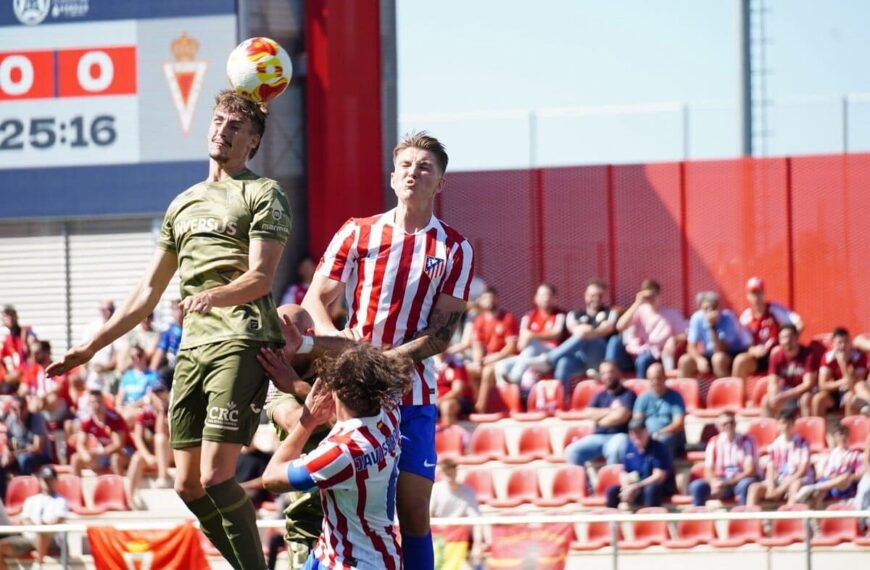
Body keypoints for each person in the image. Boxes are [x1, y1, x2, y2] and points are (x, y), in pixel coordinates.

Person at [47, 89, 292, 570]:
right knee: (186, 486)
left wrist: (212, 296)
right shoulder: (182, 204)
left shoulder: (263, 193)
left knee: (219, 477)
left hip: (240, 339)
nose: (222, 130)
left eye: (235, 126)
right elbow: (146, 294)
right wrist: (89, 348)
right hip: (193, 349)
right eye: (218, 121)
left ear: (253, 141)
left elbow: (262, 276)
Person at [302, 131, 474, 570]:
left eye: (425, 167)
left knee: (414, 511)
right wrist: (342, 350)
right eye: (405, 166)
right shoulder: (357, 232)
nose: (413, 173)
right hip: (357, 392)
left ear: (440, 183)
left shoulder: (455, 248)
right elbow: (314, 302)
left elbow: (443, 333)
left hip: (413, 392)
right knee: (345, 505)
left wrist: (387, 362)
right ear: (392, 177)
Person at [262, 344, 411, 570]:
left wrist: (308, 420)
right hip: (348, 554)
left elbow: (271, 478)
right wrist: (297, 386)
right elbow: (346, 422)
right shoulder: (389, 415)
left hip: (353, 563)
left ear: (337, 390)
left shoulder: (340, 452)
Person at [528, 278, 619, 396]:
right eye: (592, 295)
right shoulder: (574, 314)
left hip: (599, 358)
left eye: (599, 296)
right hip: (580, 359)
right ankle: (561, 400)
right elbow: (573, 329)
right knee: (563, 362)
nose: (595, 299)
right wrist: (586, 332)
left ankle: (548, 360)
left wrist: (588, 332)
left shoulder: (611, 313)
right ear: (585, 296)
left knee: (585, 337)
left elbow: (605, 330)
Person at [732, 277, 803, 386]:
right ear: (748, 296)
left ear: (764, 293)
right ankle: (740, 398)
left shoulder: (775, 310)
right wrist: (753, 350)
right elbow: (744, 345)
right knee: (740, 361)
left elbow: (799, 323)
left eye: (759, 293)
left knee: (776, 352)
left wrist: (788, 343)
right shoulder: (745, 318)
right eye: (753, 294)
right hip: (759, 357)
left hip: (779, 354)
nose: (756, 297)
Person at [494, 283, 565, 392]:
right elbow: (521, 346)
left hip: (550, 356)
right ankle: (510, 399)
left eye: (548, 295)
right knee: (500, 366)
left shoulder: (560, 315)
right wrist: (525, 340)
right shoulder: (528, 317)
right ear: (535, 298)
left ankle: (515, 378)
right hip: (529, 357)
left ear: (555, 298)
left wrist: (532, 336)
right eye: (542, 295)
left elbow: (557, 333)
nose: (545, 298)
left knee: (533, 346)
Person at [563, 360, 636, 465]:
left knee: (614, 450)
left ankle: (612, 480)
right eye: (604, 373)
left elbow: (621, 416)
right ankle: (585, 481)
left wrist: (600, 418)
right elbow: (588, 413)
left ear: (618, 373)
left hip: (619, 435)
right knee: (572, 451)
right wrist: (612, 411)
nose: (608, 376)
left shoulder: (628, 394)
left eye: (611, 372)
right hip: (597, 436)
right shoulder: (600, 395)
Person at [612, 279, 687, 379]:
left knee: (643, 360)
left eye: (653, 295)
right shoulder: (639, 310)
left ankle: (640, 390)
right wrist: (637, 303)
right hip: (633, 353)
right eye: (647, 297)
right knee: (614, 341)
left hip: (653, 355)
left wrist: (674, 339)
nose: (650, 299)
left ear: (659, 294)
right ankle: (609, 377)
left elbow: (687, 333)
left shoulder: (671, 314)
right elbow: (620, 326)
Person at [0, 465, 68, 570]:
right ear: (40, 480)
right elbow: (25, 519)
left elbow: (56, 520)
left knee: (43, 531)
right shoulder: (31, 500)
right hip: (30, 538)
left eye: (50, 479)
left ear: (55, 480)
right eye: (44, 479)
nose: (47, 482)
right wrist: (35, 528)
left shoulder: (61, 500)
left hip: (51, 539)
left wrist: (38, 528)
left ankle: (38, 564)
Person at [465, 287, 519, 413]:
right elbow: (477, 345)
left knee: (487, 372)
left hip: (505, 358)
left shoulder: (507, 318)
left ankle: (480, 409)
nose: (489, 301)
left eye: (492, 297)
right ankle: (475, 401)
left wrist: (493, 358)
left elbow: (511, 347)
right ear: (481, 301)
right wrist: (479, 361)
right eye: (486, 298)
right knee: (469, 370)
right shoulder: (479, 321)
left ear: (497, 299)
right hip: (487, 359)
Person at [689, 411, 758, 506]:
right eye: (725, 424)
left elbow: (750, 471)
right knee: (697, 486)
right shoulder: (714, 442)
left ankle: (743, 517)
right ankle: (697, 518)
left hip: (738, 481)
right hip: (721, 481)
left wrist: (728, 483)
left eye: (731, 423)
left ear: (735, 424)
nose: (729, 426)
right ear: (719, 427)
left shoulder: (747, 441)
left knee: (745, 484)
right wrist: (714, 482)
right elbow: (708, 469)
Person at [605, 419, 676, 509]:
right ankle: (612, 521)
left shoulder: (658, 448)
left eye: (639, 432)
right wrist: (626, 487)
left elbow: (659, 476)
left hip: (655, 487)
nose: (636, 436)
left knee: (651, 489)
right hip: (635, 486)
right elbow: (624, 472)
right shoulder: (629, 447)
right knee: (612, 491)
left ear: (646, 431)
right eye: (633, 433)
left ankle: (650, 520)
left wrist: (636, 487)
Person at [678, 291, 748, 379]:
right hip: (710, 355)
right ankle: (686, 391)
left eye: (713, 308)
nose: (710, 312)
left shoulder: (728, 317)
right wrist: (698, 359)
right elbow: (691, 346)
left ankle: (726, 390)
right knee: (685, 361)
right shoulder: (697, 318)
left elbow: (720, 349)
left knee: (718, 359)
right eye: (706, 309)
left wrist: (712, 326)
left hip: (731, 354)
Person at [747, 413, 811, 506]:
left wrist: (781, 489)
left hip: (796, 479)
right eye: (782, 424)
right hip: (780, 479)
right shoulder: (775, 444)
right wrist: (771, 487)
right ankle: (751, 518)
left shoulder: (802, 443)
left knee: (795, 486)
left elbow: (802, 471)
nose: (785, 427)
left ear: (793, 425)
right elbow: (770, 469)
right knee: (754, 488)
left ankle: (789, 517)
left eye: (788, 424)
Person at [791, 425, 862, 508]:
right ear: (836, 438)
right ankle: (815, 519)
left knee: (845, 476)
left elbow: (859, 474)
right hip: (829, 482)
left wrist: (846, 477)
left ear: (849, 436)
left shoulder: (855, 455)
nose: (842, 437)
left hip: (843, 485)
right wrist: (832, 477)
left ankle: (810, 488)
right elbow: (823, 473)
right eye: (840, 435)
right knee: (819, 492)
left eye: (845, 434)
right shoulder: (830, 455)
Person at [430, 459, 485, 567]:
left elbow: (477, 520)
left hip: (461, 541)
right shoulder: (436, 490)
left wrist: (477, 545)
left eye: (451, 471)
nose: (449, 475)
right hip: (439, 539)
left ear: (456, 471)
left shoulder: (468, 492)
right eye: (446, 472)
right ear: (442, 473)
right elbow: (428, 515)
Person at [125, 384, 173, 509]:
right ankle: (130, 498)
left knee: (160, 438)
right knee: (137, 458)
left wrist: (162, 411)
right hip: (155, 455)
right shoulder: (145, 413)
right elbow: (138, 437)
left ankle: (163, 477)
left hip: (171, 453)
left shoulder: (172, 411)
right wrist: (147, 456)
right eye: (156, 393)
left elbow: (160, 431)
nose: (159, 396)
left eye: (161, 392)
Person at [70, 390, 133, 477]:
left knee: (115, 459)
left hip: (124, 450)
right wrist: (85, 455)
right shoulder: (88, 421)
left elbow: (118, 445)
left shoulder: (114, 418)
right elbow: (80, 443)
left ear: (103, 402)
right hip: (104, 452)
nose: (96, 405)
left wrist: (99, 452)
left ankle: (120, 488)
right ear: (89, 404)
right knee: (76, 459)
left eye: (99, 402)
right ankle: (77, 489)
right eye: (93, 402)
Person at [760, 324, 818, 417]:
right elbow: (772, 381)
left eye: (790, 337)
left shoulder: (808, 355)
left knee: (805, 399)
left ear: (797, 337)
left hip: (805, 392)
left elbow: (808, 385)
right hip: (787, 390)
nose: (787, 341)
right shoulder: (776, 354)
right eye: (783, 338)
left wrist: (783, 396)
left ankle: (806, 429)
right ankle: (770, 429)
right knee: (766, 400)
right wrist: (774, 393)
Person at [0, 395, 52, 497]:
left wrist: (15, 454)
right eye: (15, 409)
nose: (18, 412)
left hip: (41, 456)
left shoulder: (36, 418)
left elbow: (38, 448)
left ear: (26, 407)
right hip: (19, 454)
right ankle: (3, 496)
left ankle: (26, 494)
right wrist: (7, 453)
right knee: (1, 460)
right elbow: (7, 443)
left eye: (21, 408)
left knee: (23, 459)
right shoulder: (11, 419)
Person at [632, 362, 686, 458]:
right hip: (648, 436)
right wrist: (646, 436)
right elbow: (637, 422)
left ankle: (663, 469)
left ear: (665, 378)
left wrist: (659, 433)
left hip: (670, 436)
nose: (655, 382)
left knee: (662, 442)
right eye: (652, 379)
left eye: (658, 378)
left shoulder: (675, 397)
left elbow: (678, 423)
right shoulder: (642, 398)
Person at [812, 327, 870, 417]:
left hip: (853, 392)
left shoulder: (858, 357)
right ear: (833, 343)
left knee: (849, 397)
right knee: (818, 399)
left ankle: (850, 428)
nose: (843, 346)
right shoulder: (828, 358)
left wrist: (843, 364)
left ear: (850, 342)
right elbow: (822, 385)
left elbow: (854, 386)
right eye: (839, 342)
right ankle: (817, 429)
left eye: (846, 342)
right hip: (835, 392)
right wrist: (841, 382)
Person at [115, 346, 161, 423]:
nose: (136, 359)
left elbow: (149, 398)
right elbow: (120, 396)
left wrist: (131, 407)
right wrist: (119, 408)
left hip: (142, 409)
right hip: (126, 409)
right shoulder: (127, 376)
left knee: (124, 418)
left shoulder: (152, 376)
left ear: (144, 356)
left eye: (139, 355)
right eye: (133, 357)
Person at [1, 305, 37, 395]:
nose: (10, 319)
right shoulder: (8, 339)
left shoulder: (26, 332)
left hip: (29, 373)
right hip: (16, 376)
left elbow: (35, 347)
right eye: (6, 317)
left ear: (16, 317)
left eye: (11, 316)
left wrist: (29, 343)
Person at [434, 352, 474, 426]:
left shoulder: (456, 362)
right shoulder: (430, 363)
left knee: (446, 406)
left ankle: (447, 435)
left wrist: (438, 401)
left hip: (458, 400)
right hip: (436, 400)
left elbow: (457, 391)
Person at [150, 300, 183, 389]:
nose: (178, 313)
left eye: (181, 309)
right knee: (160, 377)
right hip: (173, 366)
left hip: (188, 365)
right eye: (175, 310)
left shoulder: (191, 329)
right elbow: (159, 353)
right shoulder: (169, 332)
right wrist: (152, 372)